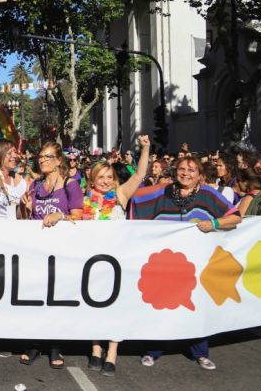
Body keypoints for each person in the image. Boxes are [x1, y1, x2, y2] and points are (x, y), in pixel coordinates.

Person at [130, 156, 241, 370]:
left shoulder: (208, 194)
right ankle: (153, 350)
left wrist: (214, 223)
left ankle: (200, 353)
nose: (186, 174)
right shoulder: (163, 192)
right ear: (175, 171)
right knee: (161, 306)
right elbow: (136, 204)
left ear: (199, 174)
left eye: (191, 170)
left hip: (196, 264)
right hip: (165, 263)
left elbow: (235, 217)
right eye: (182, 169)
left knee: (196, 307)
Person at [82, 135, 150, 377]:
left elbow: (139, 175)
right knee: (93, 306)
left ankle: (112, 352)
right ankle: (95, 348)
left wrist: (145, 149)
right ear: (92, 179)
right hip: (92, 263)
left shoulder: (120, 195)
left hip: (116, 263)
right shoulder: (85, 200)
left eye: (109, 177)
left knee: (115, 307)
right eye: (101, 177)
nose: (106, 181)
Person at [18, 141, 84, 370]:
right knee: (35, 297)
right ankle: (34, 344)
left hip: (62, 252)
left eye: (48, 157)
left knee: (57, 298)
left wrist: (60, 216)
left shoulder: (70, 185)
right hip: (36, 251)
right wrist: (25, 208)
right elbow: (27, 217)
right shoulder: (35, 185)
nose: (43, 160)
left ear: (58, 161)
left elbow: (78, 217)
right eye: (41, 157)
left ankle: (55, 345)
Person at [0, 139, 28, 220]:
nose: (15, 156)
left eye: (15, 152)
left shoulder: (20, 182)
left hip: (12, 227)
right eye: (10, 153)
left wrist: (23, 205)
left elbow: (20, 216)